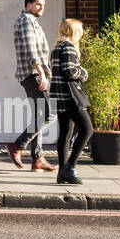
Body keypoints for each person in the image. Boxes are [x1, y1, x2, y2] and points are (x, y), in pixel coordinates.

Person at [7, 0, 56, 172]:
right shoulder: (26, 20)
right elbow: (30, 49)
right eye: (37, 4)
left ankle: (38, 159)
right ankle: (17, 145)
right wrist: (42, 74)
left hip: (30, 75)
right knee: (50, 114)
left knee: (39, 116)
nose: (41, 7)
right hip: (33, 75)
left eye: (43, 4)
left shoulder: (31, 21)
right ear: (28, 5)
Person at [49, 18, 93, 185]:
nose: (81, 35)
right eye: (80, 32)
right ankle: (70, 167)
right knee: (87, 130)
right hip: (71, 97)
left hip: (59, 98)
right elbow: (69, 71)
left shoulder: (56, 48)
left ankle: (62, 173)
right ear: (74, 31)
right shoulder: (69, 47)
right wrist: (84, 73)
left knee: (65, 135)